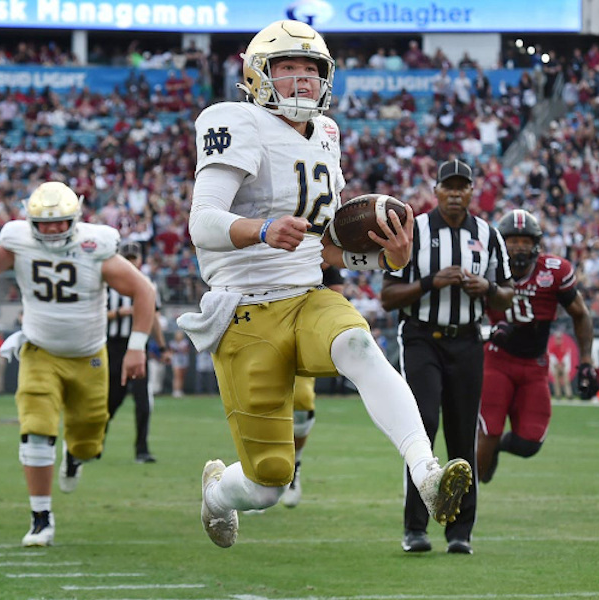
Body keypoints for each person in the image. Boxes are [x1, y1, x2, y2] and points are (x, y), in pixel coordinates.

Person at [181, 19, 472, 551]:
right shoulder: (232, 120)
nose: (301, 80)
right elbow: (202, 222)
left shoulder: (327, 134)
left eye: (311, 70)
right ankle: (219, 493)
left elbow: (328, 248)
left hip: (308, 298)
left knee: (359, 344)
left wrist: (389, 258)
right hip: (245, 313)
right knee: (269, 483)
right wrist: (262, 229)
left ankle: (426, 472)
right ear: (258, 74)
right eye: (287, 67)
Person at [0, 181, 155, 547]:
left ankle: (74, 457)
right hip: (39, 350)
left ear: (75, 219)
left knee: (88, 440)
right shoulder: (20, 243)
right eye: (44, 223)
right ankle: (40, 518)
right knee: (36, 428)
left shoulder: (95, 247)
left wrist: (137, 347)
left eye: (59, 222)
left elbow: (144, 290)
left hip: (89, 356)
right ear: (30, 221)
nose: (50, 229)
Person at [381, 158, 514, 555]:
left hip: (468, 340)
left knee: (461, 434)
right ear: (435, 190)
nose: (456, 194)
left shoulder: (489, 234)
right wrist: (429, 282)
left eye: (463, 187)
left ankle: (460, 532)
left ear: (473, 192)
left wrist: (486, 288)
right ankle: (415, 528)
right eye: (448, 186)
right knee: (422, 425)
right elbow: (387, 296)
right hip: (422, 336)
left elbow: (507, 294)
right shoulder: (415, 231)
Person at [477, 209, 597, 484]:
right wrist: (489, 330)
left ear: (536, 243)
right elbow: (464, 314)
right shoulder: (487, 268)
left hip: (535, 364)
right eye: (513, 240)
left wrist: (587, 361)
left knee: (530, 442)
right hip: (497, 359)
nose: (520, 246)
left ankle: (497, 448)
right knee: (490, 430)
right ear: (501, 242)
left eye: (525, 240)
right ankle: (466, 509)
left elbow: (580, 313)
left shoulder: (555, 271)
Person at [279, 263, 345, 509]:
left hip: (298, 332)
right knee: (256, 402)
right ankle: (256, 475)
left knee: (303, 402)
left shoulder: (314, 245)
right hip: (258, 326)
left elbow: (336, 292)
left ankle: (293, 465)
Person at [105, 241, 167, 464]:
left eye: (134, 258)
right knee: (110, 400)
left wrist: (162, 346)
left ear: (140, 260)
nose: (131, 262)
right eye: (127, 258)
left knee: (143, 402)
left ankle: (142, 449)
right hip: (113, 347)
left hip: (138, 346)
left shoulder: (147, 285)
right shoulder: (107, 283)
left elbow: (154, 319)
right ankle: (94, 444)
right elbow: (95, 317)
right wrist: (121, 313)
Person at [168, 330, 191, 398]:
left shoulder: (185, 342)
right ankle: (175, 391)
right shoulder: (172, 343)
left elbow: (186, 350)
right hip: (176, 361)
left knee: (181, 376)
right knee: (177, 376)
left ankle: (180, 390)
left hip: (184, 360)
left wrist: (181, 350)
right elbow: (171, 351)